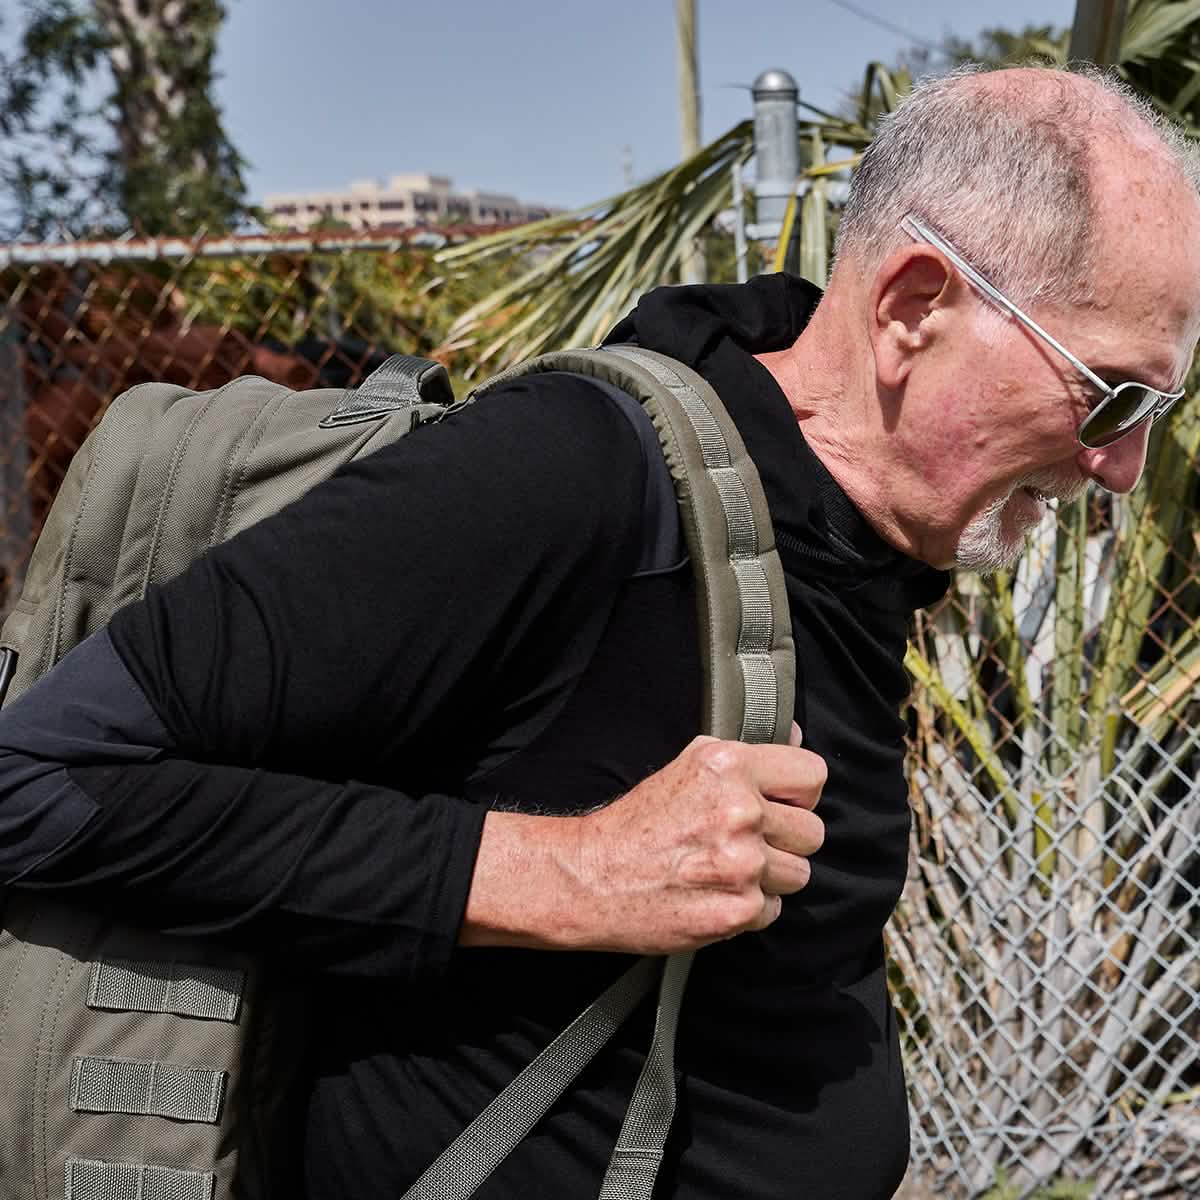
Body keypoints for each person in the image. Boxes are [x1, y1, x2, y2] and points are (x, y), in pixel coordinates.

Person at [2, 63, 1199, 1199]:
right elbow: (36, 776)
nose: (1124, 466)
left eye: (1160, 404)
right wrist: (561, 873)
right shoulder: (573, 478)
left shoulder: (852, 530)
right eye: (1110, 396)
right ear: (912, 308)